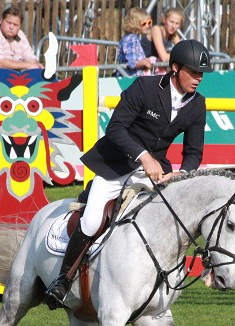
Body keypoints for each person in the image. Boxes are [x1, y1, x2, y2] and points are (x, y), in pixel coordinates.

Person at [45, 39, 213, 309]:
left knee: (174, 218)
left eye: (201, 74)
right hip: (116, 165)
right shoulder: (144, 88)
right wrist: (143, 156)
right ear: (174, 67)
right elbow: (116, 129)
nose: (198, 78)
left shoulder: (197, 104)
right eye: (193, 72)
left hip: (156, 172)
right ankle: (63, 280)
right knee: (90, 222)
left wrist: (181, 176)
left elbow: (193, 152)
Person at [116, 7, 154, 77]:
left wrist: (143, 60)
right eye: (144, 24)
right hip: (131, 79)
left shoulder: (129, 37)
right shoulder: (132, 39)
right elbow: (132, 63)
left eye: (149, 22)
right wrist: (144, 63)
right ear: (135, 24)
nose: (147, 26)